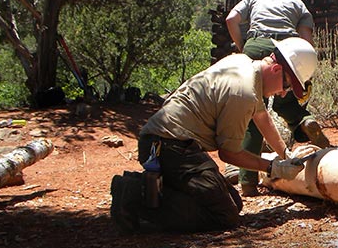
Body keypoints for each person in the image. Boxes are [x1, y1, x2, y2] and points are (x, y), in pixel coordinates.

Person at [110, 37, 318, 234]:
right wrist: (274, 167)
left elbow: (261, 115)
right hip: (170, 146)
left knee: (233, 202)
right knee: (223, 215)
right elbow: (229, 153)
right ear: (275, 69)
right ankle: (134, 193)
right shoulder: (243, 92)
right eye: (287, 86)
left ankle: (157, 189)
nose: (283, 93)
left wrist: (285, 154)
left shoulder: (243, 63)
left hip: (171, 143)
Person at [225, 0, 331, 196]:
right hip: (287, 50)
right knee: (286, 104)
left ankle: (248, 183)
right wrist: (304, 76)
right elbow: (306, 42)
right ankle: (305, 120)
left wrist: (244, 46)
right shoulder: (298, 4)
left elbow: (231, 19)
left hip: (255, 45)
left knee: (252, 113)